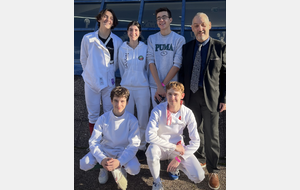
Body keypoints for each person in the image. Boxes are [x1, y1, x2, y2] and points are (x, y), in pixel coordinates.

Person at [179, 12, 226, 190]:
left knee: (212, 134)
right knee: (194, 131)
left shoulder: (220, 47)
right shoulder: (187, 47)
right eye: (196, 26)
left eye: (203, 24)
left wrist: (224, 99)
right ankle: (200, 159)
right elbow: (183, 73)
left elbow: (225, 75)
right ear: (192, 29)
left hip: (211, 98)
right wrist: (182, 96)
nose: (200, 28)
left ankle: (213, 170)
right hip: (191, 96)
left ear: (210, 25)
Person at [145, 81, 205, 190]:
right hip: (161, 147)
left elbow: (196, 141)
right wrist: (173, 147)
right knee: (151, 151)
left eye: (176, 94)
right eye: (169, 94)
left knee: (199, 176)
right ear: (166, 94)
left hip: (178, 150)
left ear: (182, 96)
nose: (172, 98)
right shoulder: (157, 110)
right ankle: (157, 182)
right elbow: (149, 136)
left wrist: (179, 158)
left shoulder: (188, 113)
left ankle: (176, 165)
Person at [79, 86, 141, 190]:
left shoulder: (132, 120)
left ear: (127, 102)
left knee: (135, 169)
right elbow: (94, 142)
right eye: (116, 101)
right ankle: (104, 167)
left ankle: (119, 167)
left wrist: (120, 161)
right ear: (111, 101)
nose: (119, 105)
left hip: (122, 151)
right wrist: (102, 159)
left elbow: (134, 145)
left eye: (122, 101)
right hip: (105, 150)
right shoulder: (103, 118)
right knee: (83, 163)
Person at [80, 8, 123, 135]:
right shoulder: (88, 38)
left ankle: (108, 141)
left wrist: (107, 72)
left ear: (113, 23)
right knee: (92, 114)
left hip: (108, 82)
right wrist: (91, 74)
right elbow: (84, 59)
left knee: (109, 113)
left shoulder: (117, 41)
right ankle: (94, 143)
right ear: (99, 19)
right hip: (91, 81)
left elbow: (115, 64)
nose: (108, 19)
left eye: (111, 18)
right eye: (105, 16)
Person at [118, 21, 150, 162]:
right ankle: (130, 146)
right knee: (128, 119)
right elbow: (121, 68)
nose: (133, 32)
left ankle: (142, 147)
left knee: (143, 119)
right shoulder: (122, 48)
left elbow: (148, 69)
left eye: (136, 30)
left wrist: (141, 80)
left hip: (142, 88)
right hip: (126, 88)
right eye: (130, 30)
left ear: (139, 32)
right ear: (127, 32)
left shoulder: (145, 48)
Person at [147, 7, 186, 108]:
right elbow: (151, 62)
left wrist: (163, 86)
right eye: (158, 18)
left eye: (164, 17)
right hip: (155, 86)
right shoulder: (151, 38)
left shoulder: (179, 39)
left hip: (172, 86)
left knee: (172, 118)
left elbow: (177, 64)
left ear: (170, 20)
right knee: (157, 117)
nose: (161, 20)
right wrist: (159, 87)